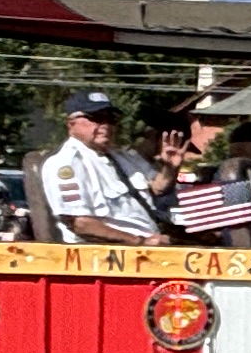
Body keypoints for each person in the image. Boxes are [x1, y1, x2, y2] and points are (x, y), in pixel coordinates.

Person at [38, 91, 166, 241]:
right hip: (107, 250)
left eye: (111, 119)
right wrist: (138, 241)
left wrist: (170, 166)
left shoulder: (124, 157)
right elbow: (80, 224)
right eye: (96, 118)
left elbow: (158, 187)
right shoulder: (67, 163)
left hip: (149, 244)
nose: (105, 125)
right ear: (71, 124)